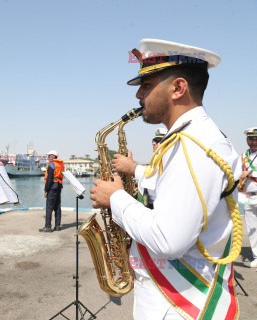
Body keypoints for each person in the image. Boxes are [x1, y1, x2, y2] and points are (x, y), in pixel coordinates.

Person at [92, 39, 240, 319]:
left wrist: (116, 199)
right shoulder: (190, 139)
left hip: (179, 304)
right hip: (175, 297)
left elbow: (168, 241)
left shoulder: (193, 146)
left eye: (146, 85)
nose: (138, 95)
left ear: (178, 88)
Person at [240, 127, 257, 267]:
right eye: (251, 139)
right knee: (251, 229)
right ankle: (256, 257)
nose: (254, 142)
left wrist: (250, 174)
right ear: (247, 140)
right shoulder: (244, 155)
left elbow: (248, 174)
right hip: (247, 196)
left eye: (256, 139)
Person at [40, 150, 65, 232]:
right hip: (59, 186)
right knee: (57, 206)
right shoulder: (61, 165)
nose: (48, 157)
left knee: (49, 207)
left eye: (50, 156)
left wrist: (46, 190)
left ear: (54, 156)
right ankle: (57, 226)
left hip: (52, 187)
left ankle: (48, 227)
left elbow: (49, 180)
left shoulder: (51, 165)